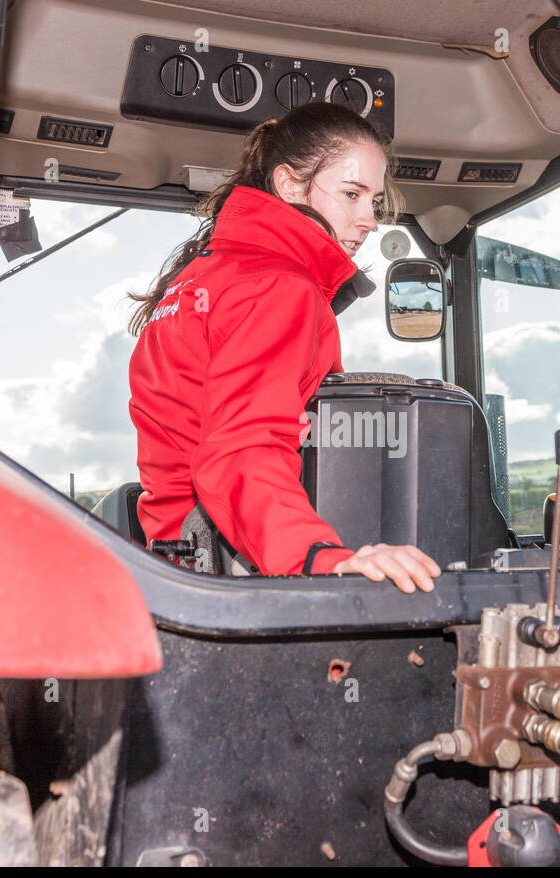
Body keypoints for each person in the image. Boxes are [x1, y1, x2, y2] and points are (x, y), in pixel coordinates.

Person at [127, 103, 441, 594]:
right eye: (352, 194)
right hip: (237, 569)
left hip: (180, 568)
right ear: (290, 185)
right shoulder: (279, 286)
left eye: (373, 201)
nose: (369, 220)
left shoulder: (195, 281)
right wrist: (320, 558)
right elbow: (242, 447)